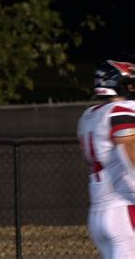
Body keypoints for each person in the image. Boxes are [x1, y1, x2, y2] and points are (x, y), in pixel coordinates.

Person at [77, 57, 135, 259]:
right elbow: (130, 147)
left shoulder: (89, 115)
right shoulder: (122, 109)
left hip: (98, 211)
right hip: (123, 207)